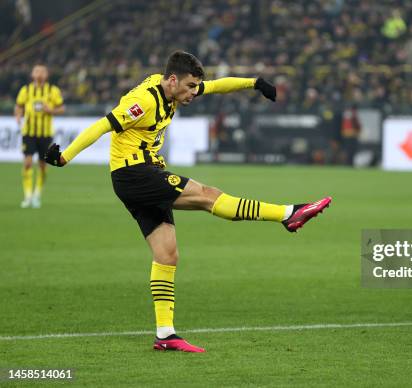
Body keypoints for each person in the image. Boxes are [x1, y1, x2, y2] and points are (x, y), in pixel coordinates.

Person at [44, 51, 332, 352]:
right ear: (172, 80)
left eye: (196, 86)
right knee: (209, 196)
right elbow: (102, 126)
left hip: (138, 175)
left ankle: (165, 334)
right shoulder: (145, 100)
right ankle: (288, 213)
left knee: (167, 254)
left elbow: (218, 85)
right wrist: (65, 157)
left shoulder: (172, 90)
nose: (195, 92)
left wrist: (255, 82)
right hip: (136, 173)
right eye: (191, 86)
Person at [14, 64, 65, 208]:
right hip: (29, 132)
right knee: (28, 163)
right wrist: (18, 115)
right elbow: (18, 106)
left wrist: (52, 110)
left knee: (42, 166)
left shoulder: (53, 90)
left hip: (46, 134)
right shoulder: (26, 90)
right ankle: (28, 196)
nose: (39, 73)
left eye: (42, 71)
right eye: (36, 70)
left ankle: (37, 194)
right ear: (32, 74)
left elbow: (61, 108)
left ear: (46, 75)